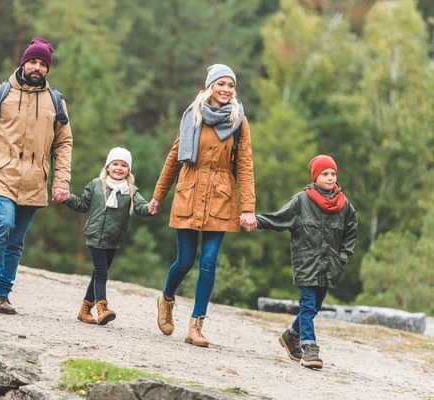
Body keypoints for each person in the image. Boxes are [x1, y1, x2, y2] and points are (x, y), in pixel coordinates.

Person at [0, 38, 73, 315]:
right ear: (23, 62)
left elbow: (64, 144)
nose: (37, 67)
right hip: (0, 174)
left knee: (17, 240)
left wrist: (61, 181)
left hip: (35, 180)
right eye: (33, 61)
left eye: (43, 64)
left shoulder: (56, 102)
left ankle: (3, 294)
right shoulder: (0, 93)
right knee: (3, 223)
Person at [149, 64, 256, 347]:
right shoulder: (193, 114)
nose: (226, 90)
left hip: (221, 196)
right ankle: (167, 297)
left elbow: (245, 165)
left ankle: (196, 325)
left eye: (231, 85)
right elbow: (174, 157)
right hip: (189, 190)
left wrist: (248, 207)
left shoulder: (239, 120)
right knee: (184, 261)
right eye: (221, 84)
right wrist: (158, 195)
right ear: (210, 86)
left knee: (208, 262)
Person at [250, 155, 358, 369]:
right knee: (308, 306)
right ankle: (310, 349)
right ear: (315, 177)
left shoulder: (344, 205)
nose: (329, 178)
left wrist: (344, 256)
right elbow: (278, 218)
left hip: (330, 267)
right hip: (306, 265)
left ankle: (290, 334)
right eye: (324, 174)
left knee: (315, 307)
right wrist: (255, 220)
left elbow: (351, 230)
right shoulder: (301, 200)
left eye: (333, 174)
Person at [63, 147, 154, 325]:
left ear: (129, 170)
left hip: (114, 238)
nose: (119, 168)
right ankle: (102, 308)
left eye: (124, 165)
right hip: (95, 234)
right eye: (115, 164)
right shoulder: (96, 185)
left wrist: (150, 208)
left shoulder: (130, 190)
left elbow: (141, 206)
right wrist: (67, 198)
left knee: (97, 273)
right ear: (107, 167)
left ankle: (84, 310)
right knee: (102, 273)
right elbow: (82, 204)